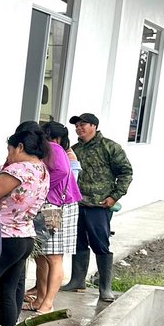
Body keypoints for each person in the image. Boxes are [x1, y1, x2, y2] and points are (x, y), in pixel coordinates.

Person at [0, 122, 50, 326]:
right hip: (25, 237)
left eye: (9, 150)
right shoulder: (42, 169)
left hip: (4, 237)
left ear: (19, 147)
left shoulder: (18, 170)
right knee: (8, 290)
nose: (8, 156)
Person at [62, 112, 133, 302]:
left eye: (83, 125)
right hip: (77, 203)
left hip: (99, 205)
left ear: (94, 126)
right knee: (77, 243)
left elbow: (126, 172)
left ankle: (105, 287)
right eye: (77, 126)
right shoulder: (75, 150)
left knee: (100, 244)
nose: (79, 128)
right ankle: (77, 280)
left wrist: (114, 196)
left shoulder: (109, 147)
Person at [24, 122, 83, 313]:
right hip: (47, 207)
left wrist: (43, 185)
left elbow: (63, 171)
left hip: (57, 207)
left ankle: (48, 303)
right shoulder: (48, 149)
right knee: (40, 255)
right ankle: (40, 298)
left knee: (54, 256)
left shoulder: (55, 148)